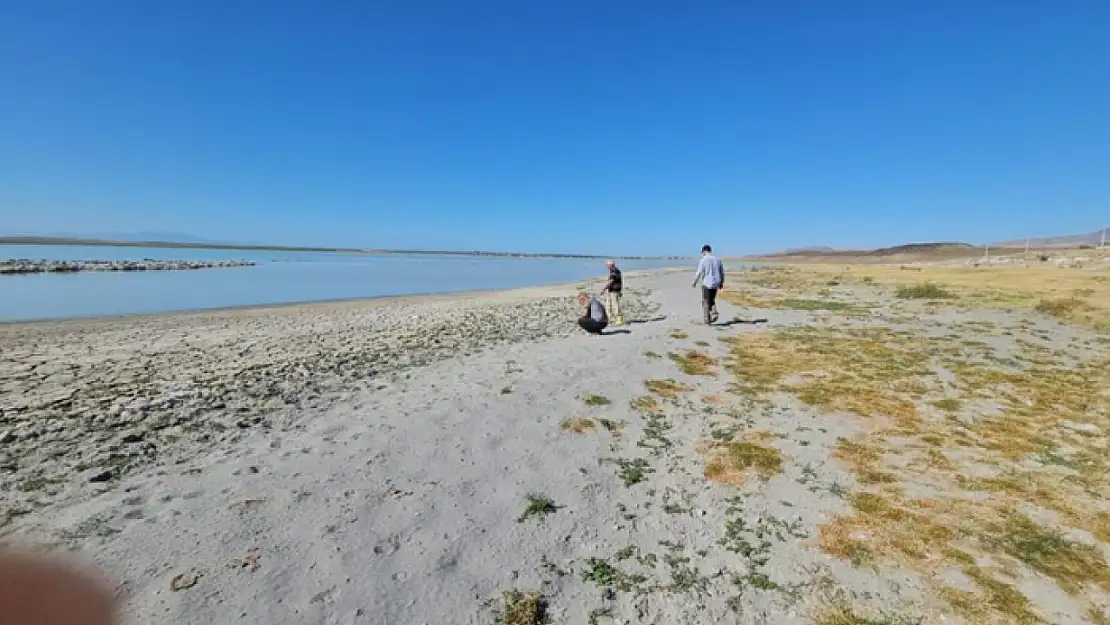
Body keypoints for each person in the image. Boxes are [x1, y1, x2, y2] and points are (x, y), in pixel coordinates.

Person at [692, 244, 725, 324]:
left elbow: (699, 272)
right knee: (711, 299)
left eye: (702, 252)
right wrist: (721, 282)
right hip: (716, 283)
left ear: (704, 251)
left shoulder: (703, 260)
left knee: (706, 301)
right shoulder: (717, 259)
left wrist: (694, 282)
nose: (702, 253)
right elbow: (722, 272)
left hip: (707, 283)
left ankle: (708, 318)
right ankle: (712, 315)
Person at [601, 260, 624, 326]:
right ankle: (610, 319)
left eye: (607, 265)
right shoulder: (613, 270)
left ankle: (619, 319)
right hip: (611, 290)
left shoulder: (615, 270)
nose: (607, 267)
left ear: (611, 265)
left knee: (615, 305)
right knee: (608, 305)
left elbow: (611, 281)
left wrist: (604, 289)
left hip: (614, 290)